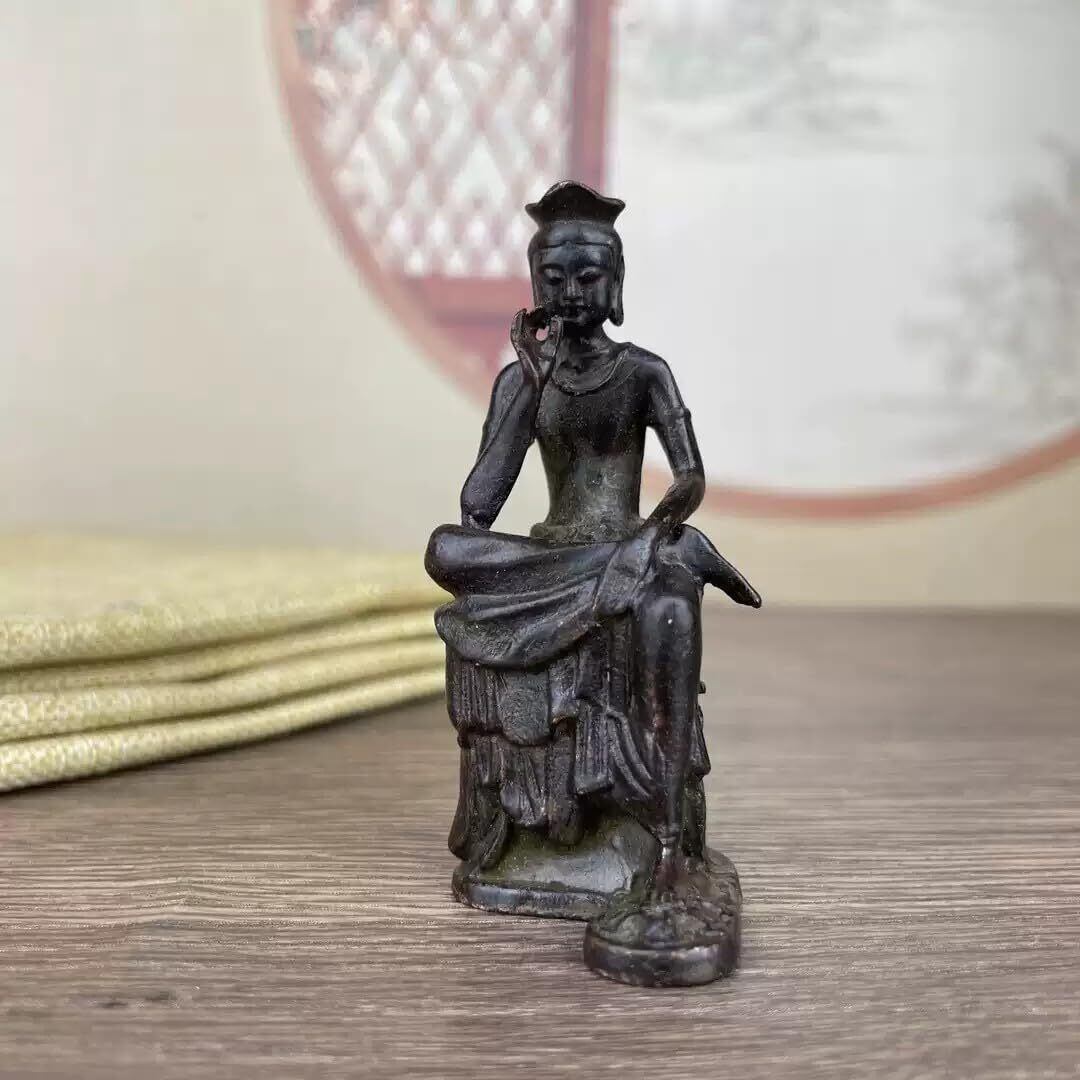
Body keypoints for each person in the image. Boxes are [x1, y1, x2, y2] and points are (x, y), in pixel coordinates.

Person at [426, 181, 760, 910]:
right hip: (560, 557)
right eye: (554, 277)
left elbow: (690, 477)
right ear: (533, 285)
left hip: (627, 540)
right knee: (443, 549)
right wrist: (529, 385)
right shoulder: (522, 379)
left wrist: (644, 541)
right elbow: (477, 508)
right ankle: (662, 555)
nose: (571, 292)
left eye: (587, 276)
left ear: (614, 283)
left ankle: (663, 841)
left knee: (665, 603)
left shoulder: (643, 372)